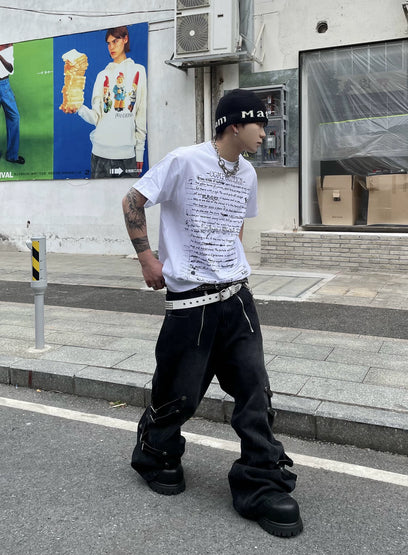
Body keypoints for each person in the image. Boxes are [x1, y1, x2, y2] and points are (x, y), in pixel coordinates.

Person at [122, 89, 303, 538]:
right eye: (259, 124)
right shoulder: (185, 161)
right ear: (234, 125)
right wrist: (147, 259)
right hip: (190, 302)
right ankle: (156, 452)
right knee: (178, 394)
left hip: (237, 297)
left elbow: (236, 223)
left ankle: (261, 482)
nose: (265, 133)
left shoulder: (248, 174)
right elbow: (132, 201)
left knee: (255, 392)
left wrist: (228, 261)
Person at [75, 26, 147, 178]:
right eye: (109, 43)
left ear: (125, 39)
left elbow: (141, 113)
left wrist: (140, 152)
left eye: (115, 41)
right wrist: (78, 107)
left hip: (126, 155)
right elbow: (96, 118)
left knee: (128, 194)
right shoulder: (102, 75)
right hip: (99, 154)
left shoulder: (138, 71)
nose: (111, 47)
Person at [0, 43, 25, 165]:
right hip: (4, 87)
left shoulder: (9, 46)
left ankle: (12, 156)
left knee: (14, 117)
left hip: (4, 85)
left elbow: (10, 69)